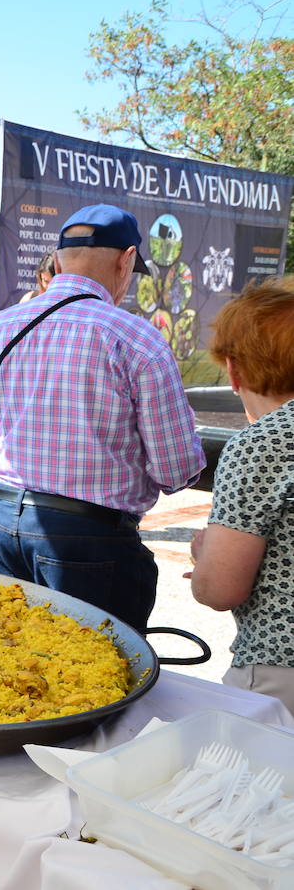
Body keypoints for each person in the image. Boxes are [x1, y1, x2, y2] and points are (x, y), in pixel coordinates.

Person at [0, 203, 205, 632]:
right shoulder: (136, 339)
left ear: (58, 260)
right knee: (97, 678)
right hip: (87, 539)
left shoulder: (1, 327)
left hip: (1, 522)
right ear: (127, 259)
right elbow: (176, 470)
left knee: (7, 664)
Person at [189, 279, 294, 712]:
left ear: (234, 369)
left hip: (280, 670)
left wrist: (206, 554)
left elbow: (219, 589)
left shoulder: (263, 443)